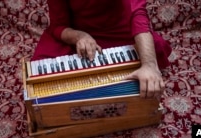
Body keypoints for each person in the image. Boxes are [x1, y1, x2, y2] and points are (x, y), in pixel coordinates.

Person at [32, 0, 172, 98]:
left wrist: (149, 64)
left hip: (118, 29)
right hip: (78, 32)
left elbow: (137, 13)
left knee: (156, 48)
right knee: (40, 69)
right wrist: (79, 36)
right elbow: (58, 26)